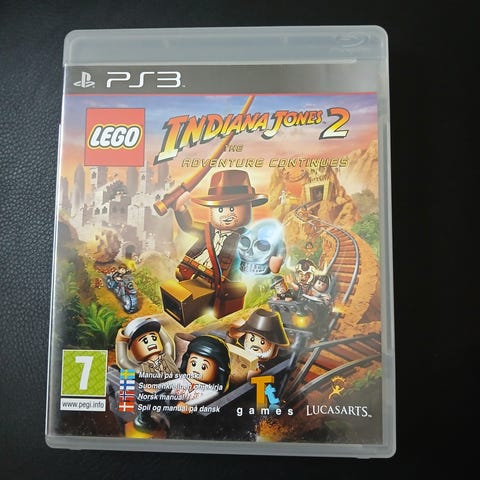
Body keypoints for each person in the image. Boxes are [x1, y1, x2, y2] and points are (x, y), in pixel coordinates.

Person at [161, 169, 283, 324]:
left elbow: (257, 254)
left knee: (204, 300)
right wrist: (180, 209)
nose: (226, 215)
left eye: (232, 208)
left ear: (249, 207)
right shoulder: (207, 229)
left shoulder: (246, 238)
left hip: (218, 283)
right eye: (220, 209)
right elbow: (188, 225)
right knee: (179, 294)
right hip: (190, 270)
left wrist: (271, 261)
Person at [115, 316, 179, 432]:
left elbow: (168, 343)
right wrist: (121, 340)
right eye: (145, 341)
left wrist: (160, 328)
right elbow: (123, 361)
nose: (151, 342)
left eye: (154, 337)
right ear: (134, 349)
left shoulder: (168, 358)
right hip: (161, 401)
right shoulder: (142, 369)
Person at [156, 335, 231, 412]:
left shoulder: (211, 392)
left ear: (219, 371)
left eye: (204, 367)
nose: (196, 370)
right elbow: (162, 386)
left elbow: (188, 407)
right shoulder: (183, 379)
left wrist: (173, 402)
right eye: (193, 363)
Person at [228, 308, 290, 375]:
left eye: (262, 342)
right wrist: (231, 336)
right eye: (252, 339)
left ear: (274, 348)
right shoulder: (242, 352)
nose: (255, 345)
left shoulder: (273, 367)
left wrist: (252, 378)